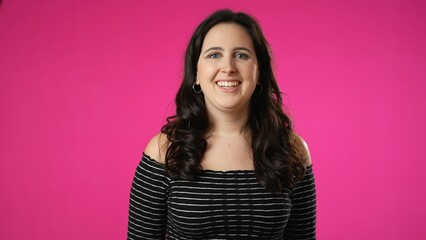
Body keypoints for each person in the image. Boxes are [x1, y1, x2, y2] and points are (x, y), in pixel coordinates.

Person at [128, 9, 316, 240]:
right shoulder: (163, 150)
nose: (228, 67)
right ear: (196, 73)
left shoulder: (292, 150)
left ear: (259, 72)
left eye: (241, 55)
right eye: (214, 55)